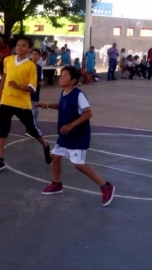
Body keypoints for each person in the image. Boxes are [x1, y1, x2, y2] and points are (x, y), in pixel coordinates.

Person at [35, 66, 115, 206]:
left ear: (73, 80)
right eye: (61, 74)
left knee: (78, 165)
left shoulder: (79, 95)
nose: (61, 77)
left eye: (65, 75)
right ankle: (57, 184)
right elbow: (62, 105)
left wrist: (72, 125)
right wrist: (47, 105)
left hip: (77, 135)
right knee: (55, 157)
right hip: (65, 135)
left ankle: (106, 186)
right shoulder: (64, 92)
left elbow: (88, 113)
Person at [0, 37, 52, 174]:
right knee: (3, 129)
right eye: (18, 45)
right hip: (6, 101)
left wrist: (18, 86)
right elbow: (4, 76)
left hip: (22, 104)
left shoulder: (31, 66)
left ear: (29, 49)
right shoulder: (8, 60)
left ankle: (46, 145)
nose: (19, 47)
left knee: (32, 128)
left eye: (23, 46)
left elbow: (32, 88)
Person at [28, 48, 44, 129]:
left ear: (39, 56)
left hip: (36, 91)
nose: (34, 56)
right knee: (34, 110)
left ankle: (33, 128)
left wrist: (41, 82)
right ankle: (32, 128)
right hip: (27, 90)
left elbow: (41, 79)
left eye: (36, 54)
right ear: (30, 55)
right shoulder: (27, 65)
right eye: (33, 54)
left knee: (34, 110)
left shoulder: (40, 68)